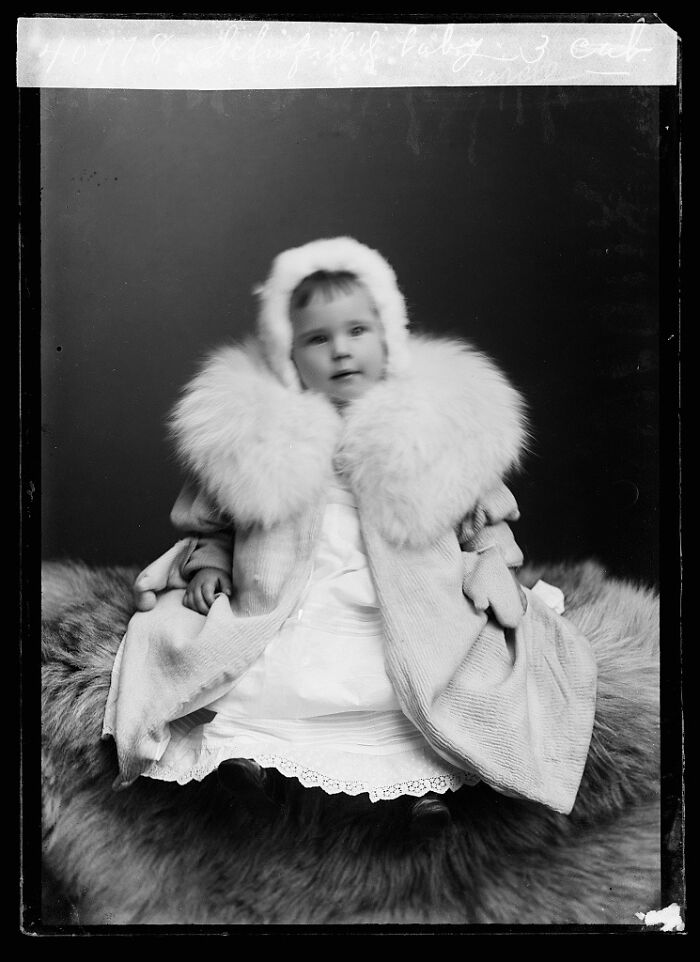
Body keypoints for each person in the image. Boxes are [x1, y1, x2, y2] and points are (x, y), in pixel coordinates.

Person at [102, 236, 597, 831]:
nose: (340, 350)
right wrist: (210, 563)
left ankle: (422, 795)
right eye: (317, 338)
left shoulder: (431, 426)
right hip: (296, 599)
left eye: (357, 331)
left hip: (405, 604)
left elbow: (483, 517)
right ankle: (255, 773)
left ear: (390, 334)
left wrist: (491, 564)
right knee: (266, 678)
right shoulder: (262, 437)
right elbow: (223, 520)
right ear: (288, 353)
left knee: (411, 680)